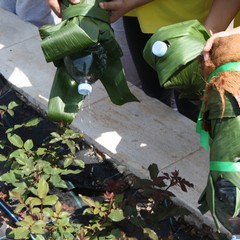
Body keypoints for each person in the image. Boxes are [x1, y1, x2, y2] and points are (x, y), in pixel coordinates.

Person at [99, 0, 240, 121]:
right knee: (153, 93)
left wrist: (208, 33)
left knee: (191, 107)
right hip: (138, 13)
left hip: (185, 16)